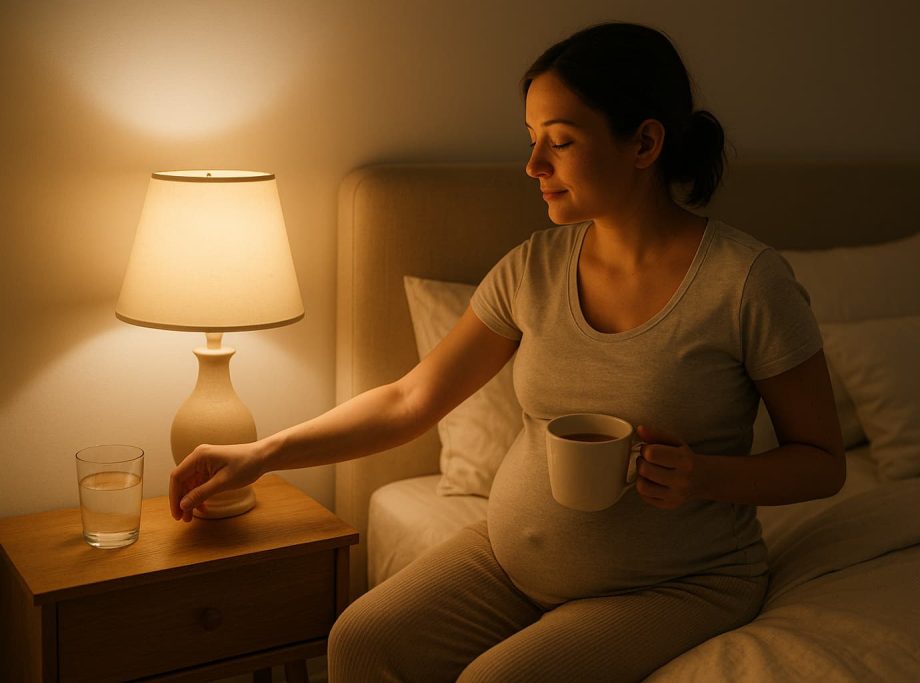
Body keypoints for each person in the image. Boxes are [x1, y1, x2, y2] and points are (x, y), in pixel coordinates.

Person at [169, 22, 845, 682]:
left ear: (644, 142)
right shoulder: (534, 268)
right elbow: (411, 398)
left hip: (676, 584)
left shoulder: (746, 281)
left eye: (561, 142)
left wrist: (703, 477)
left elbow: (823, 463)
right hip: (509, 559)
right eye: (532, 140)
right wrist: (263, 455)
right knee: (359, 639)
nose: (533, 166)